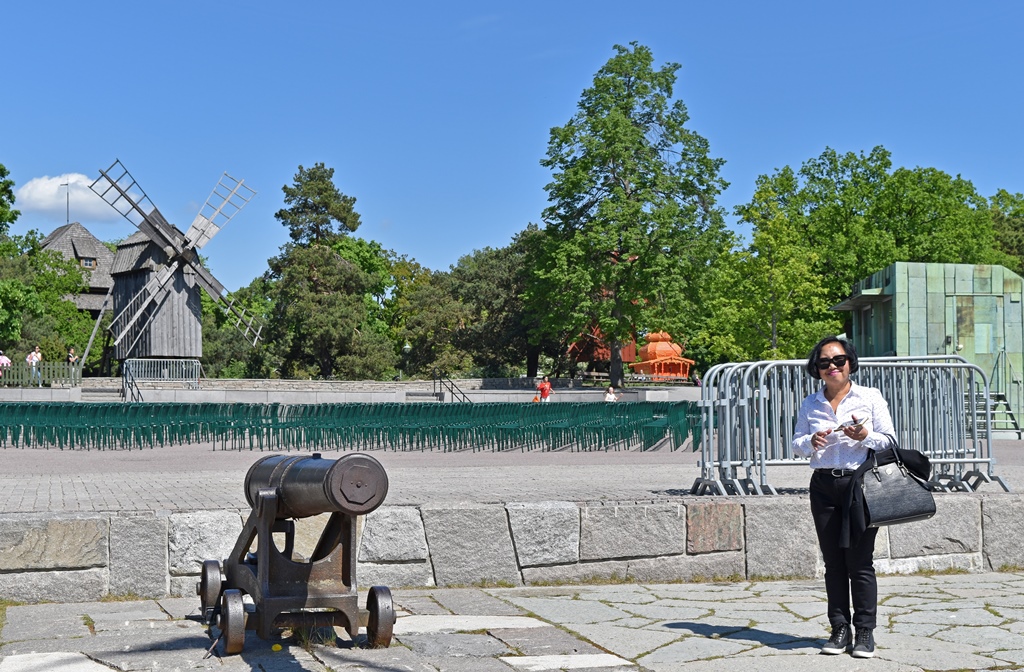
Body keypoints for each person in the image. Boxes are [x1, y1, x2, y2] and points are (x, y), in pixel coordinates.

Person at [792, 336, 894, 659]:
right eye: (825, 363)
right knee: (832, 562)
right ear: (817, 368)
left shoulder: (869, 397)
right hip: (823, 486)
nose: (832, 367)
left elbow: (890, 440)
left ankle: (865, 630)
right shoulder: (811, 403)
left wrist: (865, 436)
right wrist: (812, 440)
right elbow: (796, 443)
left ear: (850, 362)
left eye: (838, 361)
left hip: (858, 485)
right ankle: (839, 628)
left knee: (860, 561)